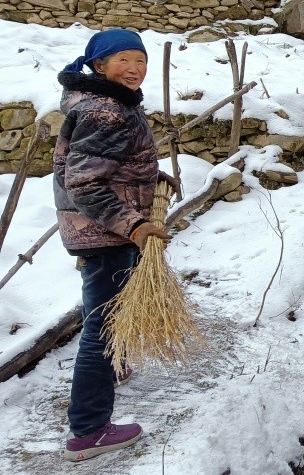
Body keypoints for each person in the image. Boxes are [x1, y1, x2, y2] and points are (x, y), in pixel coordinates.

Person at [53, 28, 180, 462]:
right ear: (99, 65)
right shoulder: (105, 111)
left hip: (101, 230)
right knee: (101, 326)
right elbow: (85, 183)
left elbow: (109, 168)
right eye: (124, 59)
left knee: (105, 311)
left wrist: (151, 180)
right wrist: (135, 225)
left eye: (141, 60)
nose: (136, 69)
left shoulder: (105, 102)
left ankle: (113, 363)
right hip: (106, 232)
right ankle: (88, 431)